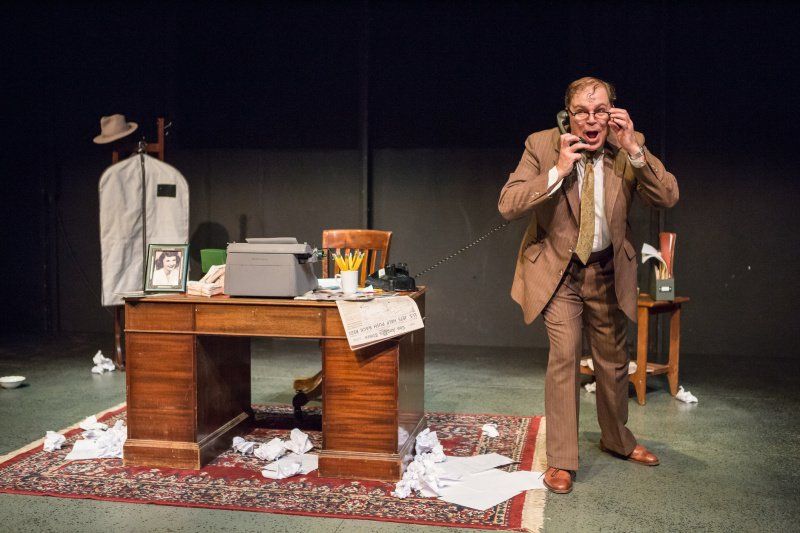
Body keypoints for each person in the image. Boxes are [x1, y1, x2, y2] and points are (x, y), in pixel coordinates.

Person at [498, 77, 678, 494]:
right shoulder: (541, 145)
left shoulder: (627, 144)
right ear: (568, 116)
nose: (592, 120)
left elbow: (668, 196)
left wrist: (634, 149)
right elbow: (508, 204)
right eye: (582, 111)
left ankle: (618, 439)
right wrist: (558, 170)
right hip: (560, 272)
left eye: (601, 111)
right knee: (563, 356)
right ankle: (562, 461)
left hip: (607, 271)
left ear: (613, 112)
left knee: (613, 362)